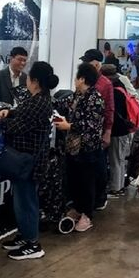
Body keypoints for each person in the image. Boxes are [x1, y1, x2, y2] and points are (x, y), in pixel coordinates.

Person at [0, 62, 59, 260]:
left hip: (29, 162)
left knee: (26, 202)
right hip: (27, 159)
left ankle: (32, 244)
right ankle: (25, 235)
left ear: (34, 81)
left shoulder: (39, 103)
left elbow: (16, 128)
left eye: (28, 77)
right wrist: (9, 112)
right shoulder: (38, 99)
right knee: (22, 200)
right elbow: (22, 114)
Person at [53, 63, 105, 233]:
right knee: (74, 179)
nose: (75, 81)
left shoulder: (95, 98)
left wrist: (69, 126)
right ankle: (77, 208)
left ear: (82, 79)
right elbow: (62, 105)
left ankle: (87, 215)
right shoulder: (76, 96)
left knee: (87, 182)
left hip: (88, 149)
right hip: (72, 147)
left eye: (76, 77)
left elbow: (92, 125)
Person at [79, 49, 114, 211]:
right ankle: (87, 200)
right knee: (87, 169)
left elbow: (109, 110)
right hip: (84, 132)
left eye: (87, 62)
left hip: (98, 132)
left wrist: (107, 131)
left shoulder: (105, 84)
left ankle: (100, 198)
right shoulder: (85, 80)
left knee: (99, 167)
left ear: (96, 64)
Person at [100, 64, 135, 198]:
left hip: (117, 130)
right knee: (120, 160)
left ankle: (115, 188)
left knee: (115, 160)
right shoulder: (121, 86)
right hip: (124, 129)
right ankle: (119, 186)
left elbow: (113, 113)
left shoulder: (114, 91)